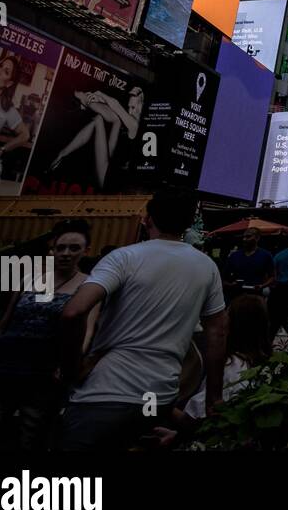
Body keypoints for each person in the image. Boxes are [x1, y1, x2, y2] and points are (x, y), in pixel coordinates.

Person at [57, 190, 227, 450]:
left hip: (102, 395)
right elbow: (217, 333)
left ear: (147, 220)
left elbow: (73, 312)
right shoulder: (206, 267)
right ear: (189, 223)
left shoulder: (123, 257)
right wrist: (214, 398)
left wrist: (72, 369)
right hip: (158, 400)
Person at [0, 220, 97, 449]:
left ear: (86, 251)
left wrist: (70, 363)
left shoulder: (88, 286)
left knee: (28, 443)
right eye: (60, 247)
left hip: (41, 380)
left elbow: (86, 331)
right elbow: (3, 327)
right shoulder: (34, 278)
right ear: (53, 249)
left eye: (74, 248)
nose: (65, 253)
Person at [183, 295, 271, 420]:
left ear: (233, 325)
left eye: (226, 315)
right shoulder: (265, 364)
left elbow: (194, 418)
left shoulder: (228, 368)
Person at [46, 86, 144, 190]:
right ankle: (62, 153)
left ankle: (84, 100)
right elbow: (114, 111)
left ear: (140, 107)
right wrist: (99, 99)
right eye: (129, 107)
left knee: (108, 117)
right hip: (110, 161)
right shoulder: (130, 123)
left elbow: (117, 106)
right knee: (107, 119)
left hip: (111, 178)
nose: (130, 111)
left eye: (133, 108)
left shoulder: (134, 125)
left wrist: (100, 94)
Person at [223, 225, 275, 297]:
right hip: (237, 296)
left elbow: (272, 277)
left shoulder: (266, 255)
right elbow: (224, 279)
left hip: (256, 296)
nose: (244, 239)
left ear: (257, 238)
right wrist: (231, 285)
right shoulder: (234, 256)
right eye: (243, 237)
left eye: (248, 237)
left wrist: (262, 286)